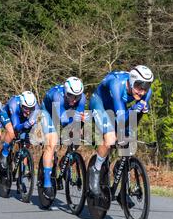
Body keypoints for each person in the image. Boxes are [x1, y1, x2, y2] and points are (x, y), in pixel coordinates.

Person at [88, 65, 154, 196]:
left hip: (118, 107)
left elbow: (133, 121)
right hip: (100, 103)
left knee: (128, 141)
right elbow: (123, 119)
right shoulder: (117, 85)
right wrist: (135, 110)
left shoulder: (147, 93)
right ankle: (95, 170)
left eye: (145, 87)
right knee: (111, 138)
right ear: (131, 81)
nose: (142, 92)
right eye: (139, 86)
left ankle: (122, 188)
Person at [40, 77, 86, 199]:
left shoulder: (81, 99)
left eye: (77, 96)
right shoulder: (57, 96)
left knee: (78, 136)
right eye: (71, 95)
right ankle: (47, 182)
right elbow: (64, 121)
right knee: (52, 142)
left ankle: (65, 160)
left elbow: (76, 123)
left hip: (65, 113)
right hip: (49, 112)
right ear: (65, 92)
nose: (74, 100)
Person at [1, 91, 40, 168]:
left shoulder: (36, 107)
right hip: (7, 115)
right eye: (26, 108)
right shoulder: (14, 103)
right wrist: (26, 124)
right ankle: (4, 153)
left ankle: (23, 167)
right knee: (12, 132)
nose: (28, 111)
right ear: (21, 104)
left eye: (31, 108)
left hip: (22, 117)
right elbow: (16, 126)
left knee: (27, 140)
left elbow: (35, 123)